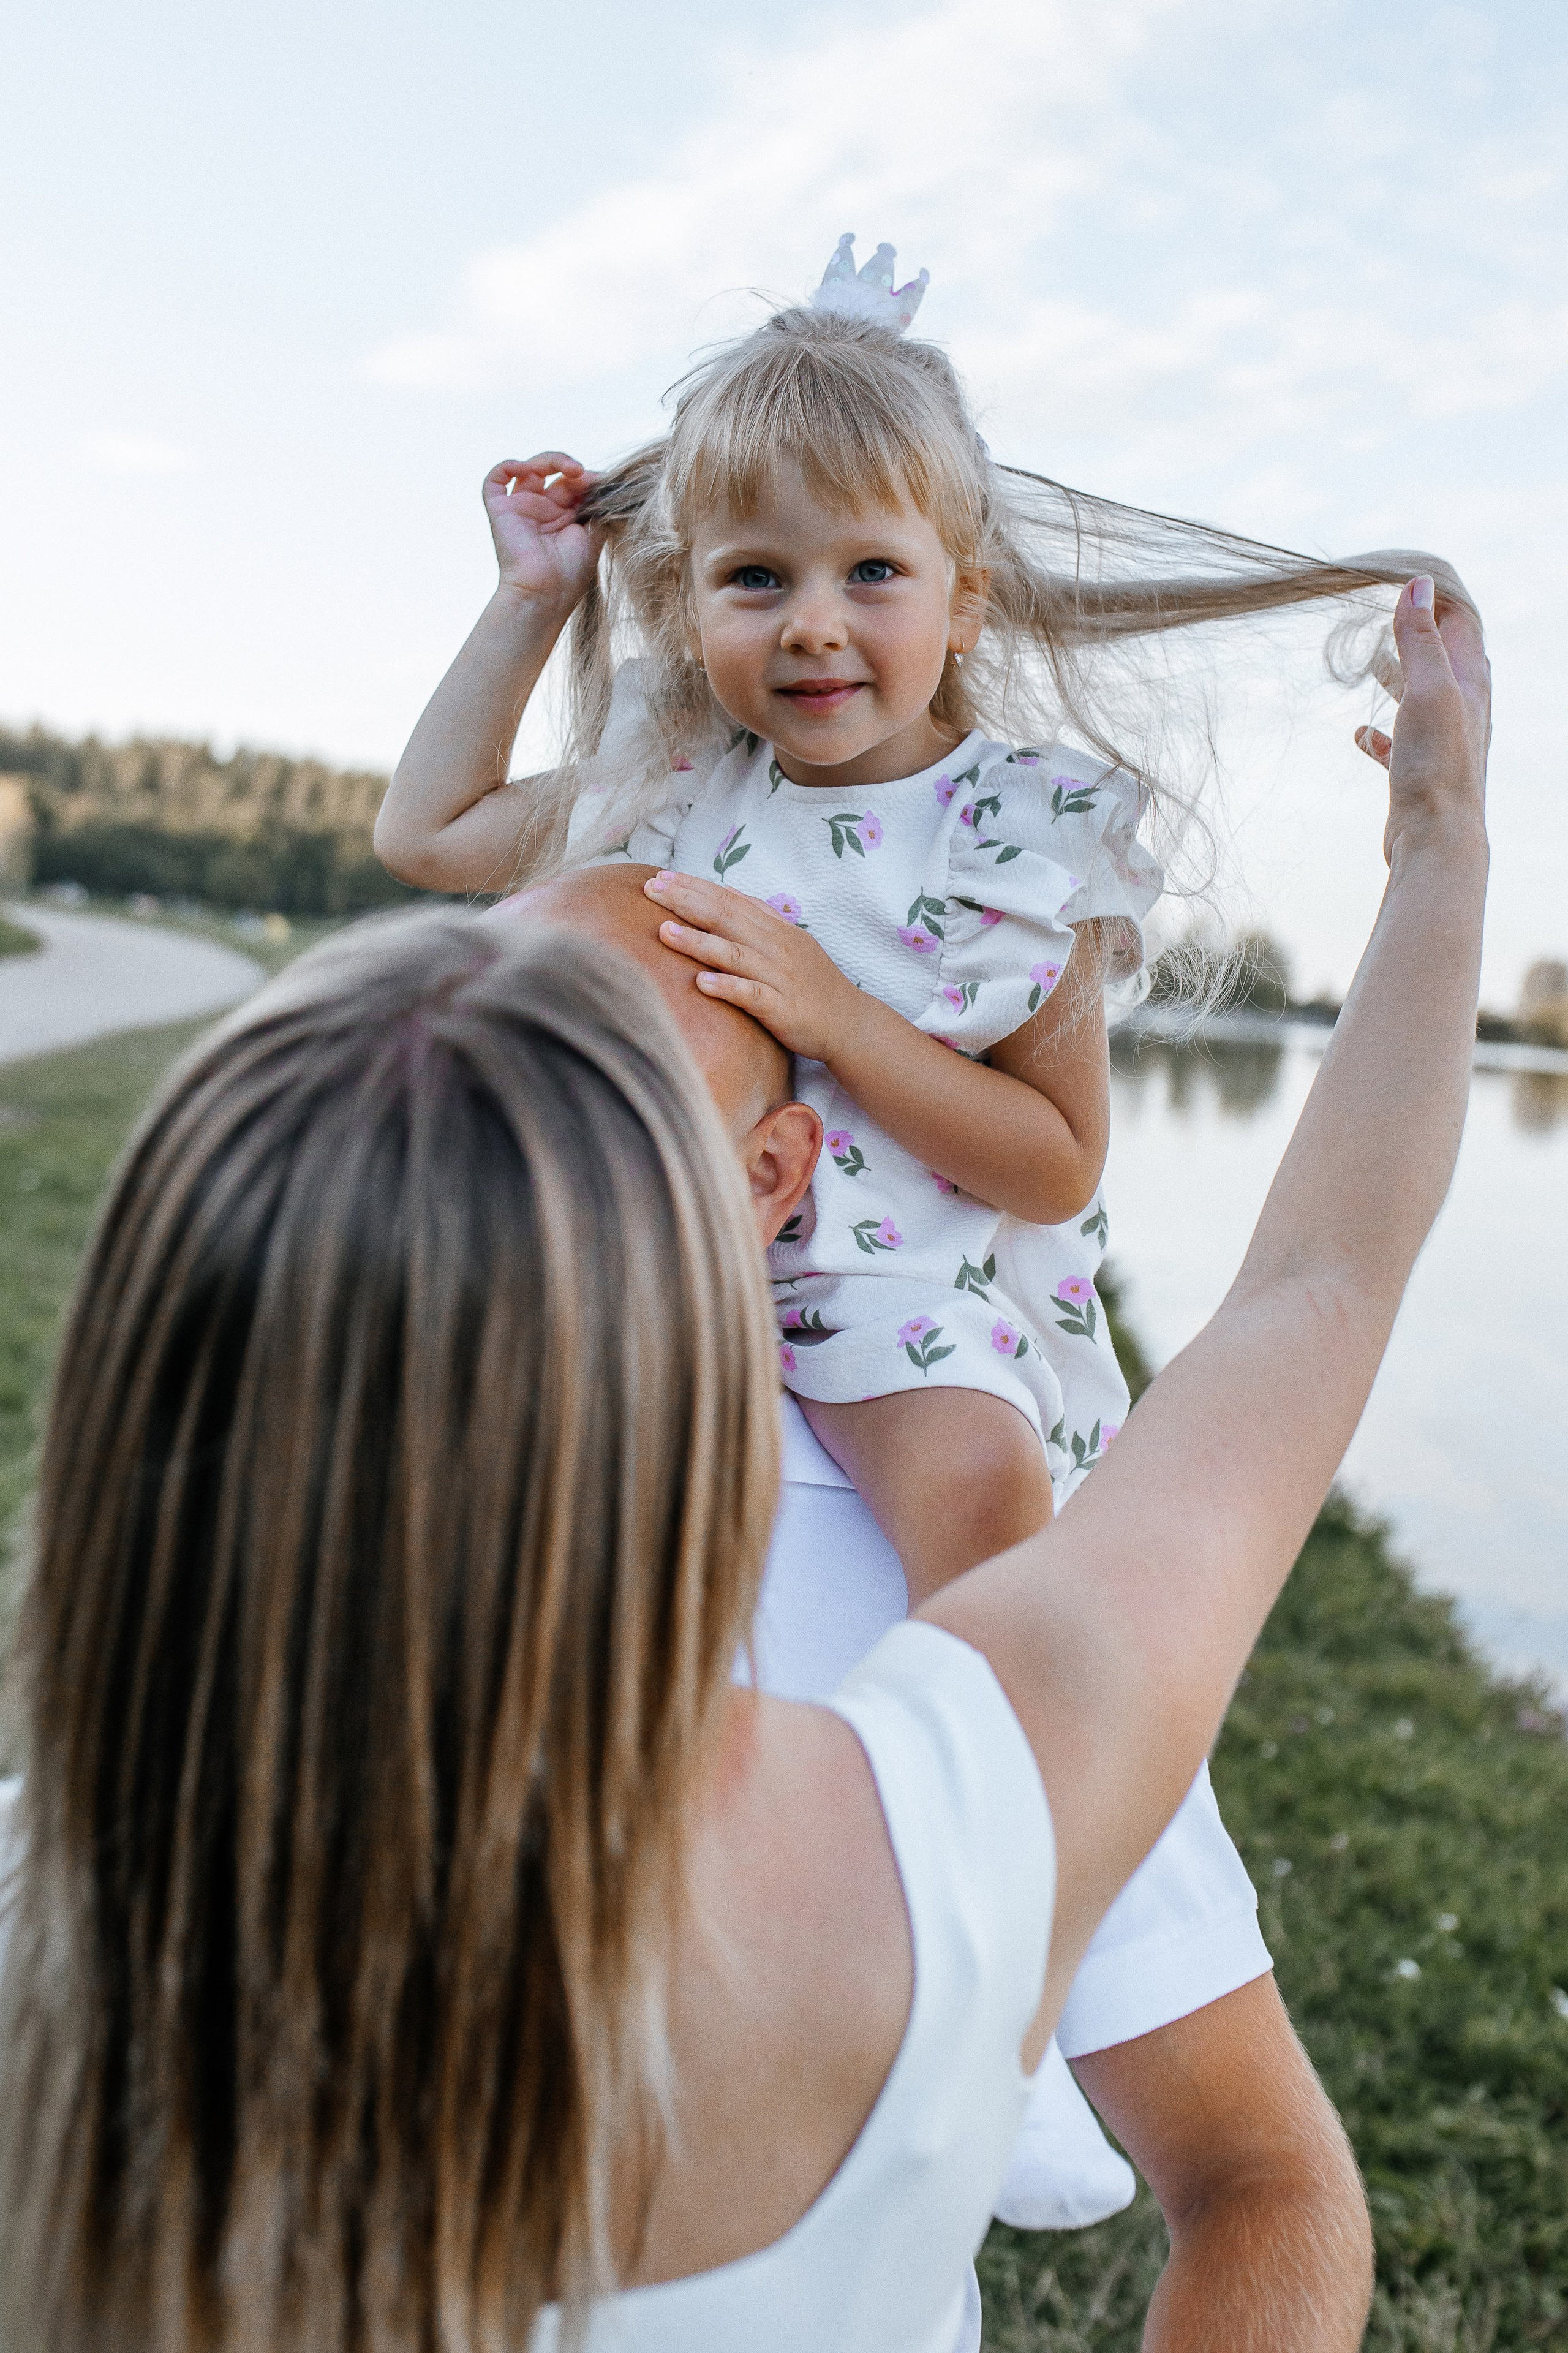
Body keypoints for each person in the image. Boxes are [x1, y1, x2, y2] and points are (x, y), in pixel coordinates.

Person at [0, 572, 1488, 2352]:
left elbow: (1258, 2188)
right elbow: (1316, 1292)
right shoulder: (944, 1816)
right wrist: (1442, 848)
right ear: (748, 1201)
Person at [374, 237, 1468, 1615]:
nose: (812, 625)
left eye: (870, 573)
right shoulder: (683, 770)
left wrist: (836, 1018)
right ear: (688, 598)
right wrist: (530, 600)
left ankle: (980, 1755)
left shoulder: (1023, 840)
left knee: (973, 1477)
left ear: (962, 601)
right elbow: (427, 832)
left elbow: (1055, 1164)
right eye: (755, 578)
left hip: (891, 1302)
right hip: (641, 1251)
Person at [493, 858, 1377, 2336]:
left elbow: (1256, 2173)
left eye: (606, 1094)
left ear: (770, 1173)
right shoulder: (266, 1546)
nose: (522, 1148)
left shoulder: (950, 1580)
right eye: (495, 1071)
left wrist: (1433, 844)